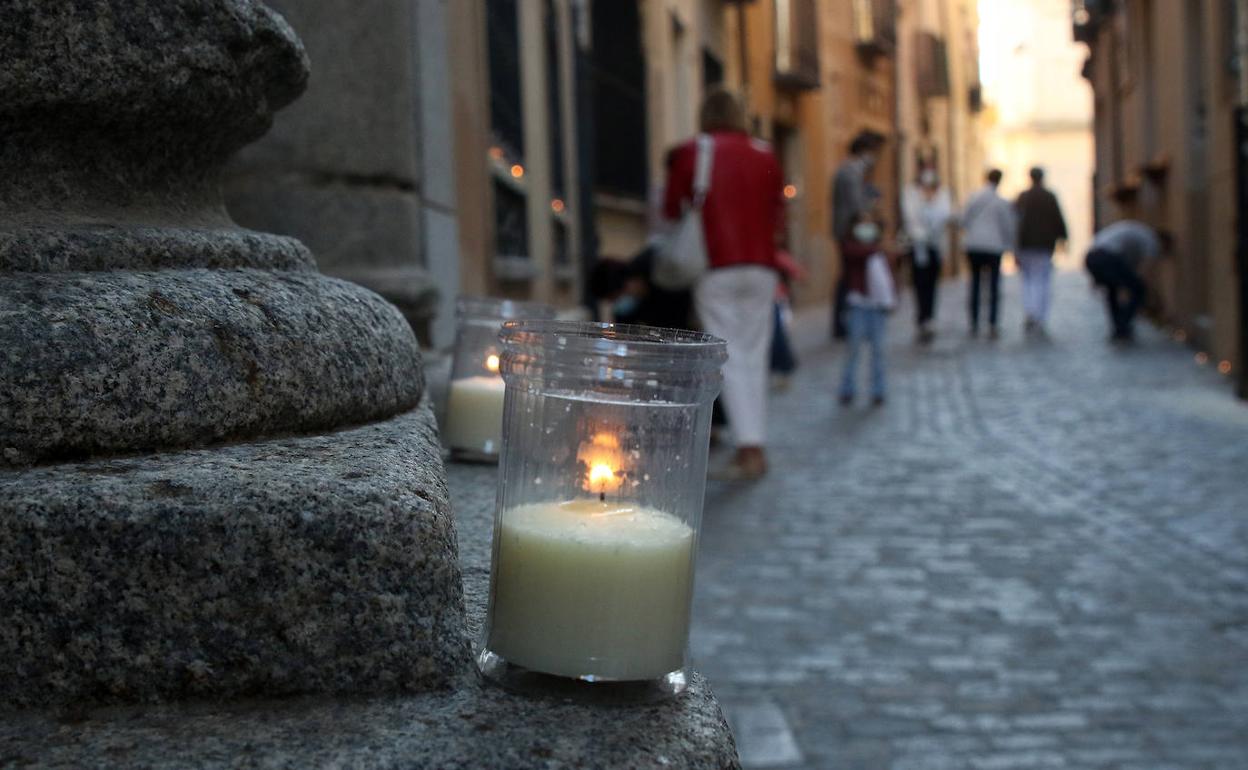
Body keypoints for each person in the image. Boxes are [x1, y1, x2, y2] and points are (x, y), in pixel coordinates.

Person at [664, 88, 783, 481]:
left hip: (717, 264)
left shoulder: (692, 153)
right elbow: (776, 212)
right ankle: (756, 445)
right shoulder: (766, 154)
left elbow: (669, 208)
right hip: (762, 266)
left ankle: (749, 450)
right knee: (755, 354)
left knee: (728, 356)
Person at [838, 212, 897, 406]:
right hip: (858, 305)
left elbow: (889, 279)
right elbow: (855, 254)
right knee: (853, 349)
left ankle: (878, 390)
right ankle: (847, 388)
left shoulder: (881, 252)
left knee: (878, 351)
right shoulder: (852, 248)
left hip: (877, 307)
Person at [830, 131, 885, 340]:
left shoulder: (851, 170)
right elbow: (856, 206)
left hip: (848, 231)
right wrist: (869, 214)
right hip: (849, 232)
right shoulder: (851, 171)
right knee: (848, 277)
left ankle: (846, 322)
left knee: (848, 276)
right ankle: (843, 324)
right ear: (864, 151)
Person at [1084, 220, 1166, 342]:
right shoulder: (1151, 240)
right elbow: (1145, 269)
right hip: (1107, 257)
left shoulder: (1138, 232)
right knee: (1139, 289)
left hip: (1092, 256)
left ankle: (1119, 328)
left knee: (1113, 290)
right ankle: (1123, 325)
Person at [901, 163, 953, 344]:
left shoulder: (941, 197)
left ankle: (929, 317)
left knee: (932, 283)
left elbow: (944, 216)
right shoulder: (911, 195)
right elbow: (911, 219)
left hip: (935, 247)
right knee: (919, 283)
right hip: (918, 247)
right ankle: (922, 316)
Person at [960, 169, 1015, 338]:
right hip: (993, 247)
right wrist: (1010, 247)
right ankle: (992, 322)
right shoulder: (1001, 202)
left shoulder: (974, 197)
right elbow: (1008, 226)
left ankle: (974, 322)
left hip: (974, 246)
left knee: (975, 284)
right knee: (993, 285)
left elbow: (964, 220)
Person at [1014, 166, 1068, 334]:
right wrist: (1063, 239)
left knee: (1028, 280)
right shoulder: (1049, 196)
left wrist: (1014, 246)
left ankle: (1031, 312)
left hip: (1026, 245)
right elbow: (1058, 219)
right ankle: (1039, 315)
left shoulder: (1023, 197)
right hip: (1044, 245)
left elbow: (1015, 221)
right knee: (1042, 281)